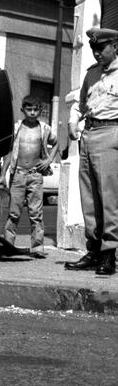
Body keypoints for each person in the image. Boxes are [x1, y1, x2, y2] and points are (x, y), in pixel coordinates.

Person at [65, 26, 118, 276]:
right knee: (89, 199)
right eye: (94, 48)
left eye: (102, 48)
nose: (97, 53)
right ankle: (93, 249)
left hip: (110, 134)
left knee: (109, 199)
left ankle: (109, 254)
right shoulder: (91, 74)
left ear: (115, 46)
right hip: (87, 135)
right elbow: (80, 104)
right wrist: (73, 121)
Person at [1, 95, 57, 257]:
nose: (32, 112)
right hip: (18, 174)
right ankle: (8, 244)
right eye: (29, 109)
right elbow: (9, 151)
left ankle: (38, 247)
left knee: (36, 213)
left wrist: (48, 160)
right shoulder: (17, 128)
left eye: (35, 109)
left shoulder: (44, 129)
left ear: (40, 110)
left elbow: (56, 144)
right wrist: (2, 173)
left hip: (35, 175)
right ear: (23, 110)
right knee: (14, 212)